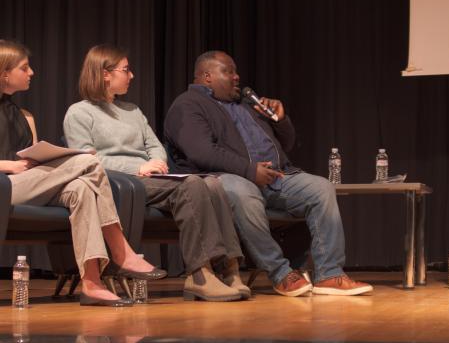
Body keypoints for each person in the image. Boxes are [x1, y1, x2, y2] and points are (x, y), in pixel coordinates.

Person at [163, 50, 373, 297]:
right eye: (228, 71)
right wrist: (249, 171)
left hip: (276, 176)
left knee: (321, 188)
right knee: (244, 192)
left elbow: (286, 143)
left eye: (235, 71)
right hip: (223, 178)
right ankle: (280, 273)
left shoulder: (246, 104)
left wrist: (281, 120)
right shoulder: (188, 105)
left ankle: (329, 273)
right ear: (207, 76)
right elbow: (201, 151)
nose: (236, 76)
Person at [63, 44, 249, 302]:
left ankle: (230, 269)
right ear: (105, 74)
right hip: (117, 182)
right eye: (126, 70)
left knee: (213, 184)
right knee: (192, 184)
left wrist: (157, 163)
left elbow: (155, 146)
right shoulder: (79, 113)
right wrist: (137, 167)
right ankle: (199, 274)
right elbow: (85, 160)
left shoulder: (133, 111)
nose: (132, 76)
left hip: (151, 178)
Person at [0, 39, 166, 307]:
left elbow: (32, 155)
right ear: (4, 72)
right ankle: (121, 251)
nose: (31, 72)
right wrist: (8, 165)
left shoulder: (24, 115)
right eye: (24, 67)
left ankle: (92, 283)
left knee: (82, 189)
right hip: (5, 185)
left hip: (28, 183)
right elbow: (15, 164)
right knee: (88, 161)